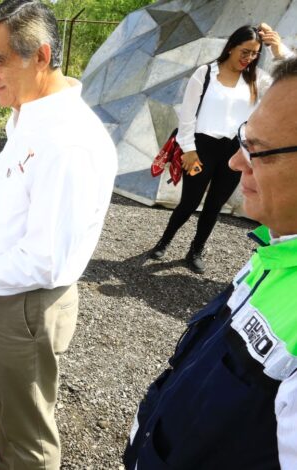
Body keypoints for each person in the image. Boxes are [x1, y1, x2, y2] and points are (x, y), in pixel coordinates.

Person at [0, 1, 117, 469]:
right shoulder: (29, 115)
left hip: (27, 301)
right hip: (1, 291)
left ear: (41, 55)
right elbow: (13, 190)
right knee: (9, 393)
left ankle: (23, 459)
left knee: (31, 420)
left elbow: (44, 261)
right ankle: (9, 455)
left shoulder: (69, 142)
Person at [124, 56, 297, 469]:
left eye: (257, 152)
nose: (238, 163)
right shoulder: (274, 254)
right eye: (244, 142)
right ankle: (167, 244)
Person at [147, 25, 285, 273]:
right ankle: (164, 242)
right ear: (231, 46)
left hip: (235, 151)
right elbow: (187, 115)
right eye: (245, 52)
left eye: (254, 54)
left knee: (214, 205)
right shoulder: (206, 73)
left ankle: (195, 250)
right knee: (189, 203)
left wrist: (278, 49)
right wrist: (188, 150)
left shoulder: (257, 79)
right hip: (202, 147)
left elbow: (289, 78)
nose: (249, 58)